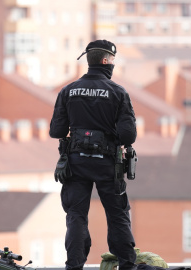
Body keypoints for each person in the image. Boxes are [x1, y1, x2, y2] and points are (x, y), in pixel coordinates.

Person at [49, 40, 137, 270]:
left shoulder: (68, 90)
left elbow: (56, 131)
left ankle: (74, 266)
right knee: (117, 215)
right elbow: (128, 136)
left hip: (75, 163)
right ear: (106, 61)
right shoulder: (118, 92)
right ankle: (127, 265)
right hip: (108, 164)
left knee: (76, 216)